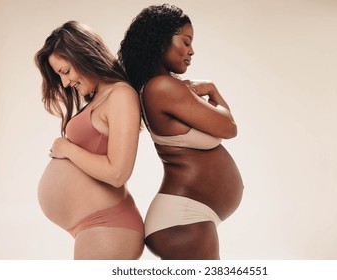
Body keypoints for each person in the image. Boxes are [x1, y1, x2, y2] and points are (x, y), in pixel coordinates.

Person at [118, 4, 244, 259]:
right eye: (186, 41)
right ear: (160, 40)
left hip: (187, 219)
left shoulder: (159, 87)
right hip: (183, 221)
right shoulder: (162, 87)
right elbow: (229, 128)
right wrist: (213, 89)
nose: (191, 50)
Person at [35, 21, 144, 259]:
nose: (65, 84)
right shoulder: (99, 97)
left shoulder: (121, 94)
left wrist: (67, 149)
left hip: (109, 226)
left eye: (65, 72)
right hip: (95, 227)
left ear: (84, 55)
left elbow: (118, 173)